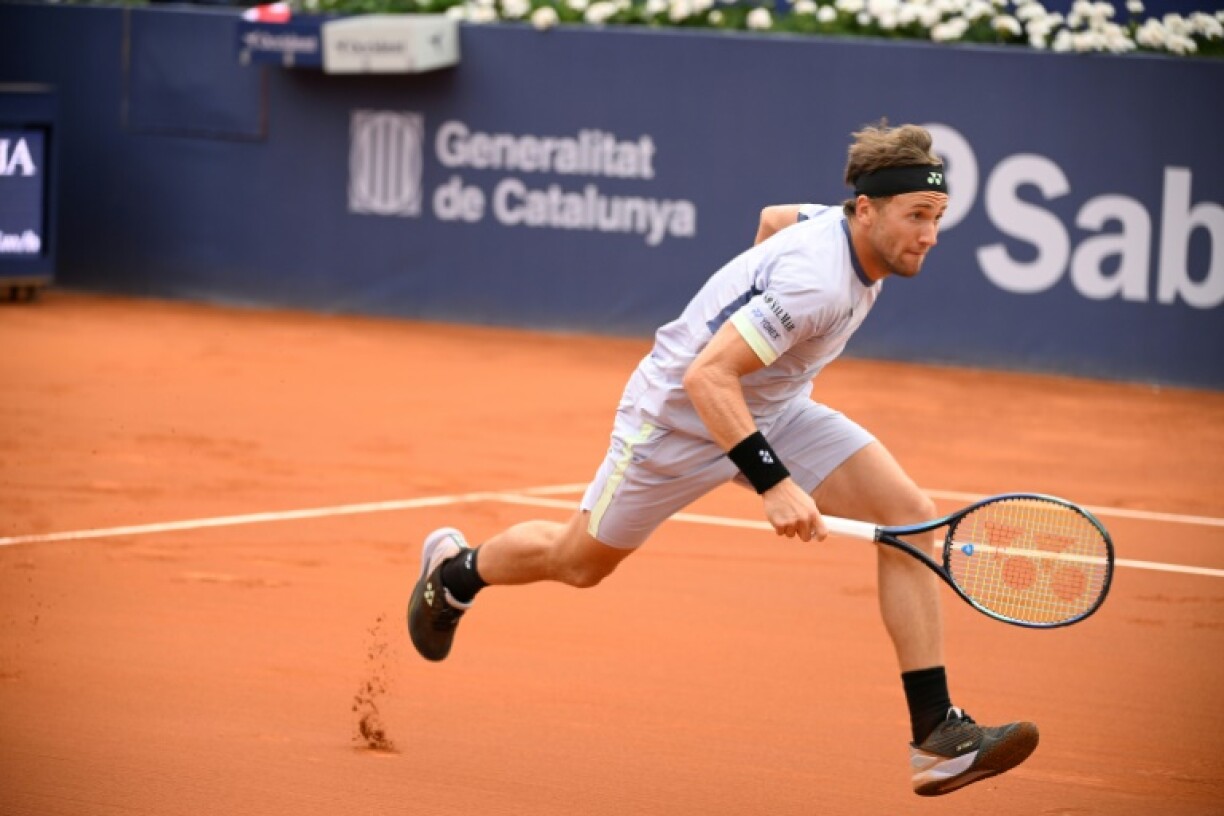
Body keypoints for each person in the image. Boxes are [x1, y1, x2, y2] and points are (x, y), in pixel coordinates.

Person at [406, 121, 1039, 797]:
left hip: (772, 406)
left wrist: (744, 299)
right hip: (674, 423)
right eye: (917, 216)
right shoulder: (816, 285)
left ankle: (937, 735)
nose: (929, 236)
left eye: (937, 217)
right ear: (866, 210)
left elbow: (773, 218)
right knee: (578, 561)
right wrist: (773, 482)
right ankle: (456, 575)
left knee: (908, 516)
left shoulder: (835, 225)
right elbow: (707, 379)